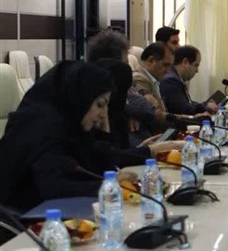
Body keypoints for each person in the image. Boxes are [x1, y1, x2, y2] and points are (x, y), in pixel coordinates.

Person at [0, 62, 181, 212]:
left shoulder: (70, 123)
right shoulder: (41, 127)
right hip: (24, 224)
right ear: (81, 97)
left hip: (60, 213)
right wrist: (106, 184)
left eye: (106, 106)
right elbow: (53, 187)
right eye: (100, 105)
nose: (103, 114)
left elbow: (104, 160)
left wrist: (106, 128)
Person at [160, 46, 218, 116]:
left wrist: (204, 105)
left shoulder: (176, 78)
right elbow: (184, 109)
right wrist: (204, 107)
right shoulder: (171, 81)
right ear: (185, 62)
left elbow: (187, 103)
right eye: (196, 65)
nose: (197, 71)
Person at [132, 42, 174, 131]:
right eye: (165, 65)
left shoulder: (152, 80)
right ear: (151, 60)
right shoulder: (139, 79)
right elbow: (155, 115)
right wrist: (188, 119)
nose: (168, 71)